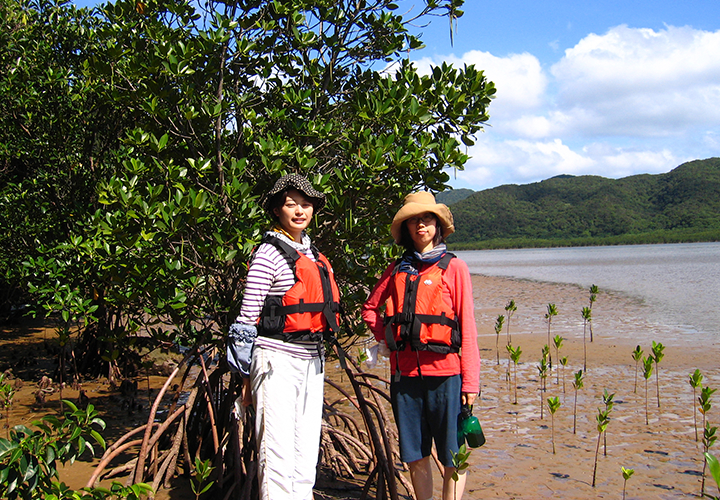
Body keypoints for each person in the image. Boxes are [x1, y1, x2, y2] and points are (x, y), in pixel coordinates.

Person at [227, 174, 340, 500]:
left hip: (312, 361)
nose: (300, 211)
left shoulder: (313, 253)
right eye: (292, 204)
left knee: (306, 453)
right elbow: (247, 319)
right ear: (277, 210)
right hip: (275, 360)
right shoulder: (268, 253)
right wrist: (245, 376)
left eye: (306, 204)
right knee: (276, 454)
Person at [361, 191, 480, 500]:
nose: (420, 226)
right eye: (413, 221)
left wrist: (471, 381)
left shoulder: (455, 268)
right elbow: (370, 308)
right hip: (405, 377)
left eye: (426, 219)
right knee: (415, 454)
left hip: (446, 375)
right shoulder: (396, 269)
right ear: (406, 230)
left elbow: (468, 328)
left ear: (437, 224)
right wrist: (386, 338)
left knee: (454, 454)